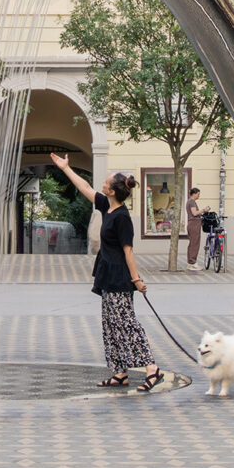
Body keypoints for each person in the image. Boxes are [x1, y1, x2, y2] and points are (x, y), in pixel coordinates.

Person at [49, 152, 163, 392]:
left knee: (127, 324)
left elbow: (128, 251)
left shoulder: (122, 218)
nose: (104, 182)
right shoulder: (106, 207)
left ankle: (153, 369)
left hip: (121, 279)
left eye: (107, 181)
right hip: (107, 277)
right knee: (110, 324)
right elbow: (85, 187)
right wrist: (65, 168)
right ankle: (120, 372)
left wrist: (136, 280)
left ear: (112, 191)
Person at [185, 186, 204, 270]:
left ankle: (190, 262)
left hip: (192, 224)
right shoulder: (192, 202)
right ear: (194, 194)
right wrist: (203, 210)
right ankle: (193, 263)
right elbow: (194, 213)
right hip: (194, 224)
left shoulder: (190, 201)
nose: (199, 196)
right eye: (198, 194)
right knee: (195, 243)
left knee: (192, 243)